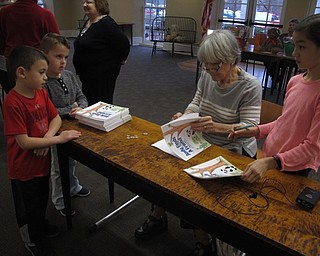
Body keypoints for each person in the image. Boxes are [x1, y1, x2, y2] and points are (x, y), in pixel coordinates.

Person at [134, 30, 262, 256]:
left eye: (216, 67)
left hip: (233, 150)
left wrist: (217, 127)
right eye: (206, 66)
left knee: (192, 186)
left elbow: (250, 127)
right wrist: (185, 116)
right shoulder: (207, 75)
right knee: (161, 169)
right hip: (203, 141)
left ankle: (202, 241)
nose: (211, 72)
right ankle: (158, 216)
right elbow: (197, 102)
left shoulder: (250, 85)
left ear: (232, 59)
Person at [3, 45, 81, 256]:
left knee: (41, 199)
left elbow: (54, 118)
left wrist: (46, 139)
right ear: (22, 72)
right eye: (41, 72)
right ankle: (33, 240)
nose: (46, 77)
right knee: (29, 206)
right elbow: (23, 142)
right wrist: (57, 139)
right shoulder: (12, 102)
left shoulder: (39, 94)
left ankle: (40, 226)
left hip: (41, 162)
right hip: (24, 168)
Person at [229, 13, 320, 183]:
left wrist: (271, 162)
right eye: (294, 45)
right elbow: (284, 122)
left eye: (302, 47)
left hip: (294, 169)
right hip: (271, 159)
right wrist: (256, 130)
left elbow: (313, 147)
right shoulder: (295, 81)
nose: (295, 52)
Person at [40, 33, 90, 217]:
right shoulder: (43, 82)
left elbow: (81, 96)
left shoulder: (69, 75)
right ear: (44, 56)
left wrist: (81, 107)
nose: (63, 61)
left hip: (72, 126)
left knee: (71, 161)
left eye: (66, 57)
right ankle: (60, 200)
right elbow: (48, 110)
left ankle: (73, 186)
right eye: (58, 56)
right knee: (57, 167)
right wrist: (71, 108)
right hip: (54, 130)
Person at [73, 0, 130, 105]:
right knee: (89, 102)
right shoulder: (89, 21)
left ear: (99, 4)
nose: (85, 5)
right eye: (84, 2)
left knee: (100, 104)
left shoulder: (106, 23)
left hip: (102, 75)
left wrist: (120, 60)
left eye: (89, 2)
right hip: (88, 75)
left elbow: (124, 44)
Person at [0, 0, 60, 94]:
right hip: (37, 67)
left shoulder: (3, 13)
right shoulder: (45, 15)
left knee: (16, 99)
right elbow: (57, 45)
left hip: (11, 68)